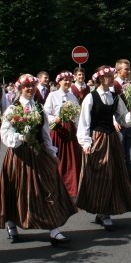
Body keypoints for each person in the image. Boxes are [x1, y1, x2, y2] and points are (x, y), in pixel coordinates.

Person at [0, 74, 76, 246]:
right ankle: (12, 224)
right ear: (20, 88)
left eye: (32, 86)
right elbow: (5, 135)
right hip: (20, 155)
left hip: (39, 153)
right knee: (17, 190)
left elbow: (45, 133)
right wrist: (21, 136)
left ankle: (54, 229)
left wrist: (52, 153)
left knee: (49, 187)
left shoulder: (39, 107)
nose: (30, 89)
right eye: (26, 86)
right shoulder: (13, 109)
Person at [76, 66, 131, 231]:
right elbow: (84, 123)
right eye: (109, 76)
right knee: (100, 175)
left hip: (112, 139)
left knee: (113, 175)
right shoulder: (91, 97)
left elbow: (124, 118)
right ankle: (101, 210)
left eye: (111, 76)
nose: (111, 79)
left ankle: (105, 211)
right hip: (98, 139)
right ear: (101, 79)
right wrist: (86, 143)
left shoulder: (115, 97)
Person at [44, 71, 82, 200]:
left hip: (70, 131)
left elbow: (78, 114)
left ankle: (71, 188)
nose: (67, 82)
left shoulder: (72, 96)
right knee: (58, 158)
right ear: (59, 81)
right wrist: (54, 119)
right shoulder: (53, 95)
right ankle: (55, 187)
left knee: (72, 160)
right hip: (58, 131)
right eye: (65, 80)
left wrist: (74, 119)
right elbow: (46, 113)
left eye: (69, 80)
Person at [112, 59, 131, 183]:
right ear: (118, 70)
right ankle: (119, 189)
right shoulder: (114, 85)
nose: (129, 71)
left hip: (129, 125)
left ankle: (127, 189)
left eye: (129, 68)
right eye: (126, 69)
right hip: (118, 126)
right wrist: (113, 121)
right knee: (119, 159)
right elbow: (109, 106)